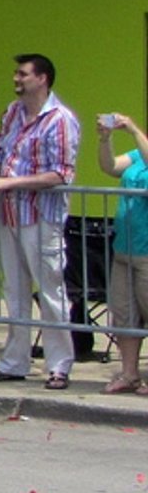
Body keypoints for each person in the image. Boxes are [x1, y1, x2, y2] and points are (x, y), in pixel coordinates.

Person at [0, 53, 80, 388]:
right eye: (16, 73)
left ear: (42, 78)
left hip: (42, 216)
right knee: (14, 290)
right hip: (9, 214)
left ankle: (59, 365)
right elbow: (3, 155)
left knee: (50, 290)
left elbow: (61, 174)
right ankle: (15, 360)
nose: (16, 79)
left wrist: (8, 183)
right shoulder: (12, 113)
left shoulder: (60, 119)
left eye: (22, 74)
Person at [95, 111, 148, 395]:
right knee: (125, 314)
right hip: (125, 248)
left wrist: (133, 129)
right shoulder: (138, 154)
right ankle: (129, 374)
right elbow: (111, 166)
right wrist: (105, 140)